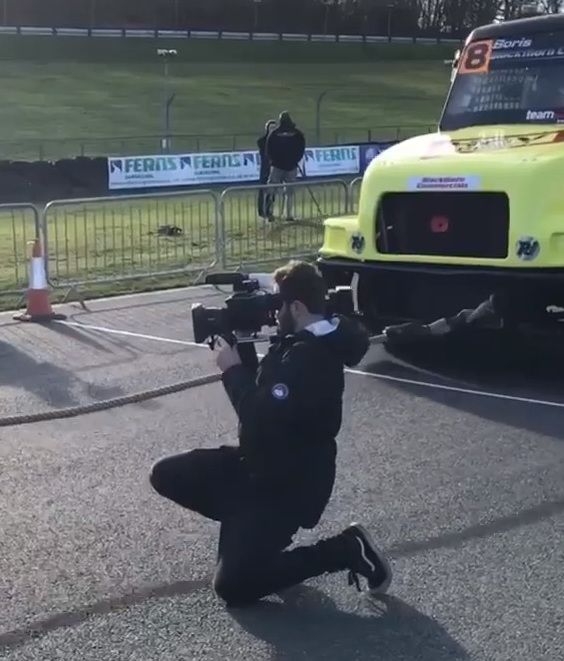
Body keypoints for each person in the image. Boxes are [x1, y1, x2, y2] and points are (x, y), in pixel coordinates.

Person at [148, 260, 392, 608]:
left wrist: (230, 369)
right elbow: (264, 392)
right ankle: (250, 534)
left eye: (279, 305)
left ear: (297, 307)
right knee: (166, 473)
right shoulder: (299, 340)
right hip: (258, 467)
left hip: (288, 487)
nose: (273, 312)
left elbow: (259, 414)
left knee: (233, 586)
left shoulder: (310, 357)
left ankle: (346, 548)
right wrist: (239, 345)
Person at [263, 112, 308, 222]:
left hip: (277, 166)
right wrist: (295, 159)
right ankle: (289, 214)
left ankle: (270, 213)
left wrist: (273, 160)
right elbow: (301, 148)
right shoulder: (297, 134)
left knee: (271, 190)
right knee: (290, 191)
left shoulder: (274, 133)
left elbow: (268, 150)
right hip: (291, 166)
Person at [255, 119, 278, 221]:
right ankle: (261, 210)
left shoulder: (278, 141)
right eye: (271, 128)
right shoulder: (262, 141)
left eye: (274, 128)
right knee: (262, 189)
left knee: (272, 190)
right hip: (265, 167)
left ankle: (269, 210)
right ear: (267, 129)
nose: (273, 130)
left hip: (274, 167)